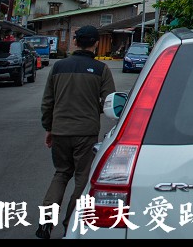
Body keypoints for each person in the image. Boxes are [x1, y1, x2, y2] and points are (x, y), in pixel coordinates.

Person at [37, 25, 116, 239]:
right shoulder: (101, 70)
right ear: (96, 43)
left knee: (61, 173)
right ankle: (70, 224)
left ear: (75, 42)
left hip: (60, 130)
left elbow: (48, 102)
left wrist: (49, 128)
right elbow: (110, 102)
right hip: (86, 132)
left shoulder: (59, 67)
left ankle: (45, 223)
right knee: (82, 178)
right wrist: (93, 106)